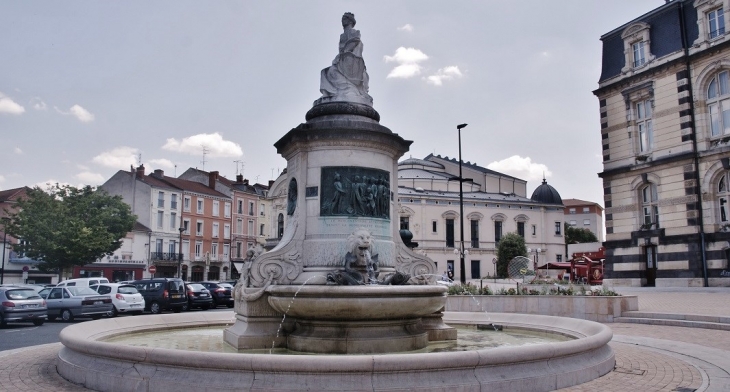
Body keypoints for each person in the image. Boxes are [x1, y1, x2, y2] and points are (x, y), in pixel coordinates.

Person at [316, 12, 373, 106]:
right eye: (342, 19)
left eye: (345, 18)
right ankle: (334, 92)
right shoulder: (342, 35)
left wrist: (342, 55)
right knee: (325, 72)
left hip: (349, 60)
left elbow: (353, 43)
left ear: (350, 21)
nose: (343, 21)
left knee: (332, 71)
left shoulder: (355, 32)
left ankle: (349, 90)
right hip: (342, 60)